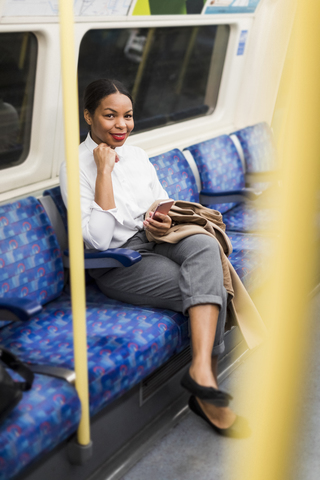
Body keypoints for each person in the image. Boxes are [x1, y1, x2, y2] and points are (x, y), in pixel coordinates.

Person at [60, 78, 249, 438]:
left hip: (156, 236)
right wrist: (104, 171)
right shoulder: (75, 166)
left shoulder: (138, 154)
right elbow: (99, 240)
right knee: (210, 287)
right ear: (88, 116)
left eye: (128, 116)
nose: (121, 125)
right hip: (120, 259)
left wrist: (160, 216)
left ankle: (201, 374)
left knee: (205, 248)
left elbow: (163, 200)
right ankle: (206, 389)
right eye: (110, 115)